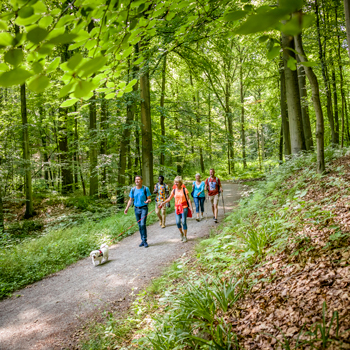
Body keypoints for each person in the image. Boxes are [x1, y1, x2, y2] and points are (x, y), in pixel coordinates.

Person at [161, 176, 193, 243]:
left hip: (184, 207)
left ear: (180, 183)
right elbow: (169, 198)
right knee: (178, 222)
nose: (175, 183)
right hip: (177, 208)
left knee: (184, 222)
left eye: (177, 182)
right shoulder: (174, 190)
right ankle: (181, 233)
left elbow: (188, 199)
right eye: (175, 182)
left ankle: (185, 236)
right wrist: (163, 202)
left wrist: (191, 208)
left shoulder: (184, 190)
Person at [124, 175, 152, 248]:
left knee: (142, 224)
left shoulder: (146, 189)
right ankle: (142, 240)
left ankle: (145, 240)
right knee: (139, 225)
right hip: (136, 209)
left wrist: (147, 200)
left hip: (144, 208)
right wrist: (127, 208)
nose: (137, 181)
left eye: (138, 179)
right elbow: (130, 200)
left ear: (141, 181)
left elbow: (149, 199)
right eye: (136, 179)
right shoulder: (133, 189)